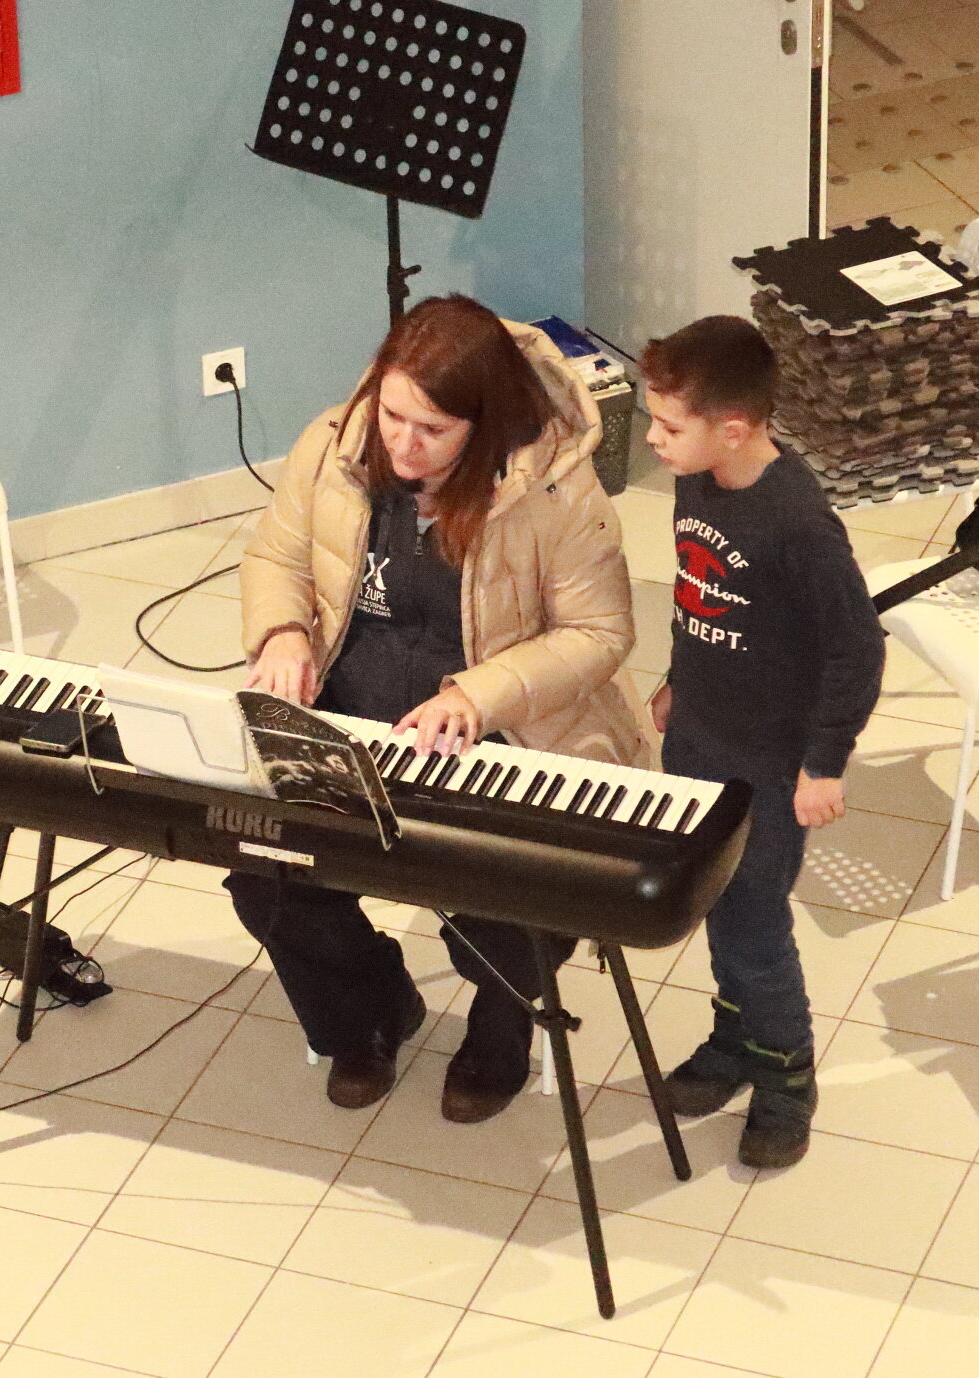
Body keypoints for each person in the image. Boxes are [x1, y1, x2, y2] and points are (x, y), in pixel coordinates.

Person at [232, 293, 639, 1123]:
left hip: (502, 736)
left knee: (519, 904)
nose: (402, 443)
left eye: (432, 430)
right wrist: (282, 632)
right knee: (261, 873)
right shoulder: (332, 446)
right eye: (392, 415)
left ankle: (500, 1029)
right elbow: (276, 555)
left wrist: (475, 696)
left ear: (482, 426)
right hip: (352, 717)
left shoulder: (554, 491)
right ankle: (370, 1009)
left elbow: (600, 632)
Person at [639, 315, 884, 1169]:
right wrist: (679, 676)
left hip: (771, 763)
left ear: (734, 429)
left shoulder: (797, 524)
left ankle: (786, 1075)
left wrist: (823, 762)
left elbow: (856, 648)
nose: (652, 440)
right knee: (716, 901)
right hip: (700, 736)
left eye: (668, 426)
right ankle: (736, 1037)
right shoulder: (699, 478)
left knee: (752, 925)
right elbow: (697, 593)